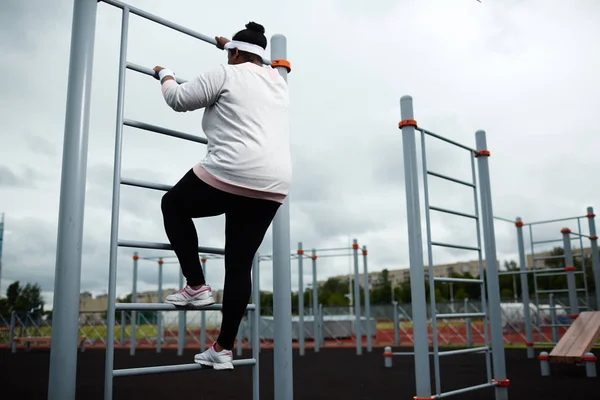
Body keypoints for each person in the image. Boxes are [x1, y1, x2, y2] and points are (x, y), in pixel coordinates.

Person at [152, 21, 291, 370]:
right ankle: (224, 348)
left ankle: (196, 284)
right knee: (239, 263)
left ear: (234, 54)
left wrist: (165, 73)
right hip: (273, 184)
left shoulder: (224, 73)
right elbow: (250, 60)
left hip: (232, 170)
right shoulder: (278, 81)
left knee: (172, 206)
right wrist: (229, 45)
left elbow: (178, 100)